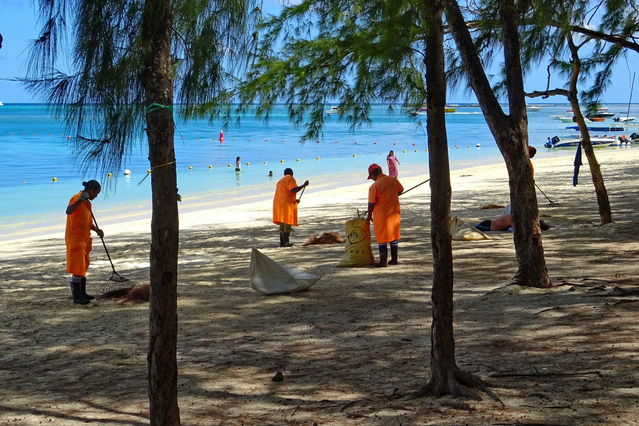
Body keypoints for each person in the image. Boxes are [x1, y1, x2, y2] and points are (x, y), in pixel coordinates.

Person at [65, 180, 104, 304]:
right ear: (91, 190)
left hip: (85, 238)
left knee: (84, 265)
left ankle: (83, 293)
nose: (96, 196)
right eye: (96, 193)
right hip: (75, 239)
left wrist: (96, 229)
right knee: (78, 266)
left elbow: (86, 221)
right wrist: (81, 200)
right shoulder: (76, 198)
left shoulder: (87, 203)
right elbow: (68, 211)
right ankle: (77, 297)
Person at [365, 163, 404, 267]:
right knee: (393, 235)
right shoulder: (393, 180)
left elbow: (371, 203)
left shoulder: (374, 186)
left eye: (371, 177)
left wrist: (369, 216)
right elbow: (401, 190)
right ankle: (394, 259)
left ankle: (383, 261)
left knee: (382, 237)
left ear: (373, 174)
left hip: (381, 215)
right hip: (394, 212)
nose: (372, 179)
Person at [272, 168, 309, 247]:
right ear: (292, 173)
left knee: (282, 221)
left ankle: (282, 242)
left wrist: (294, 200)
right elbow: (292, 190)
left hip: (278, 203)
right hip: (286, 204)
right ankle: (286, 242)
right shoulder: (290, 179)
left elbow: (285, 193)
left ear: (284, 174)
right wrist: (303, 185)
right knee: (287, 221)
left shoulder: (280, 181)